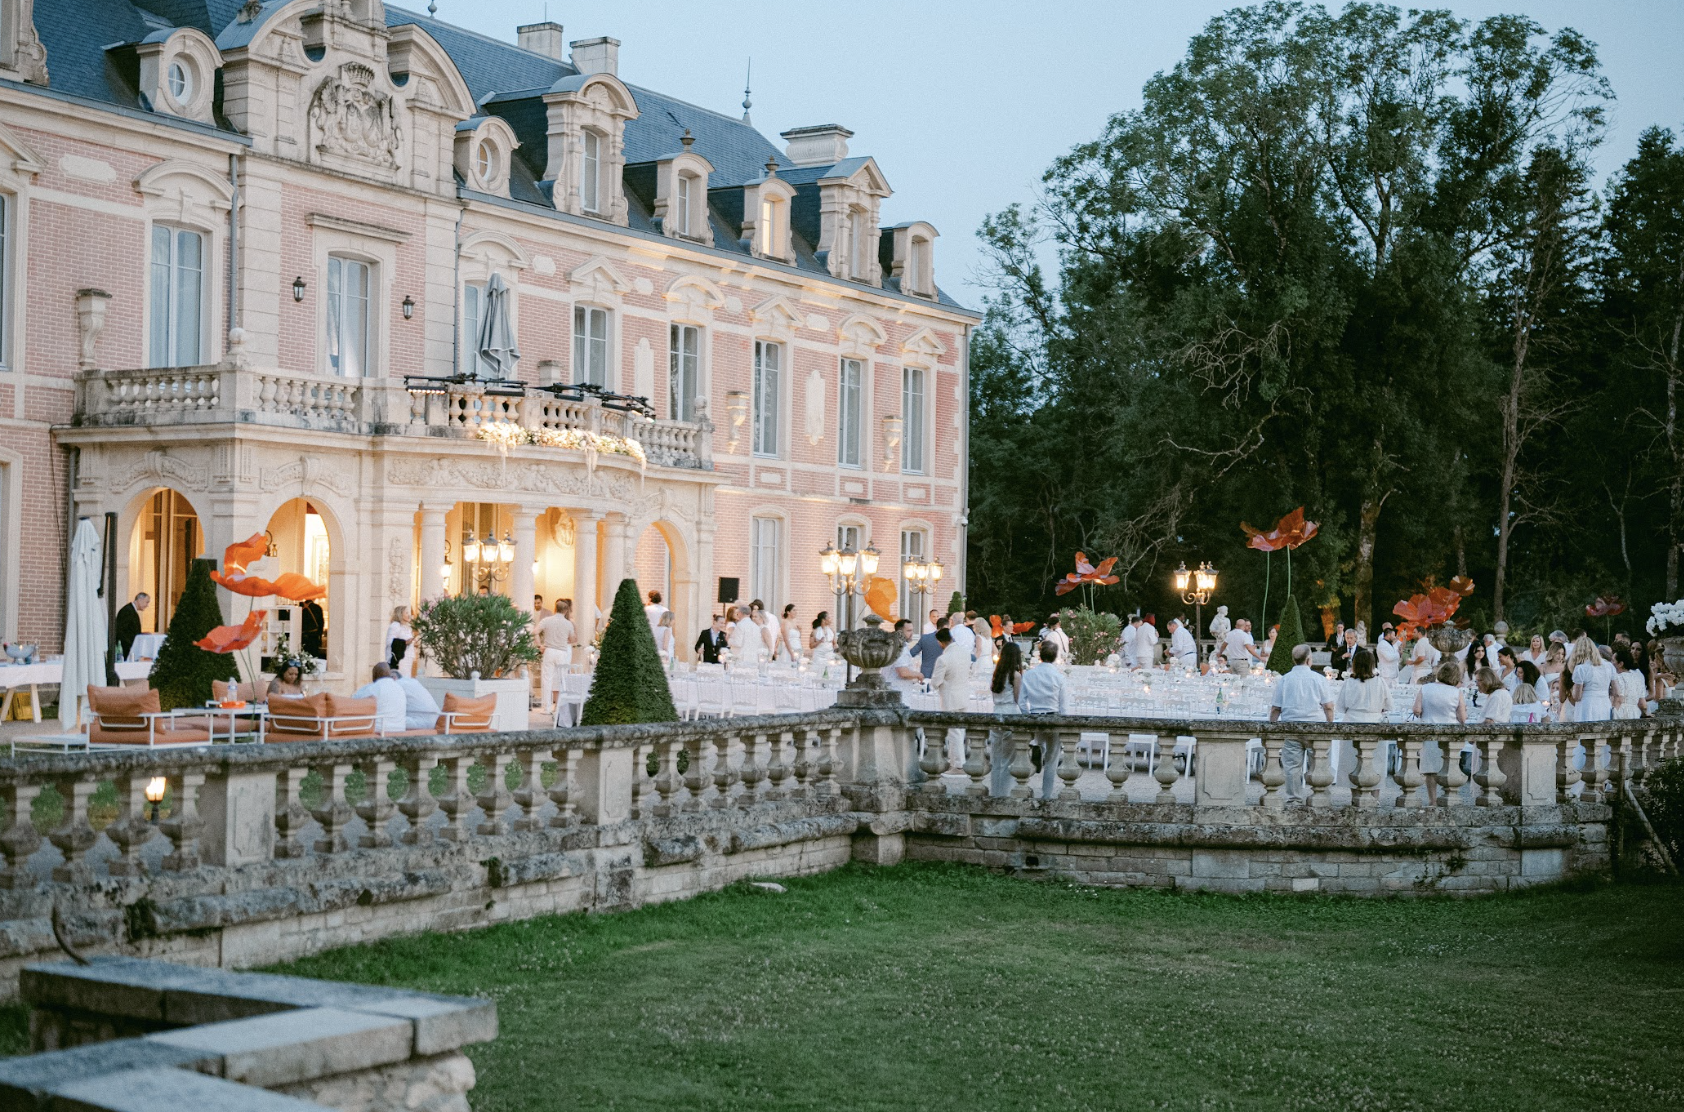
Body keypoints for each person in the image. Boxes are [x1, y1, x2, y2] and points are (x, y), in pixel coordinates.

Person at [1269, 644, 1333, 799]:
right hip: (1315, 727)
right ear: (1309, 659)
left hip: (1291, 726)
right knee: (1319, 764)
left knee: (1292, 767)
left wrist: (1271, 728)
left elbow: (1275, 708)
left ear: (1293, 659)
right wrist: (1330, 726)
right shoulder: (1319, 679)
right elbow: (1328, 706)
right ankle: (1319, 797)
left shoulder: (1285, 679)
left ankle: (1294, 798)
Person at [1018, 640, 1069, 799]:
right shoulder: (1058, 677)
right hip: (1053, 716)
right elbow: (1063, 706)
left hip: (1035, 716)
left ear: (1040, 655)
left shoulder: (1030, 674)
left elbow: (1021, 701)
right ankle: (1046, 794)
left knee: (1040, 741)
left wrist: (1028, 715)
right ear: (1055, 657)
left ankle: (1038, 747)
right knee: (1052, 760)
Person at [1412, 660, 1467, 805]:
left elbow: (1416, 709)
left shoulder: (1426, 688)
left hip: (1429, 732)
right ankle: (1448, 796)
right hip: (1449, 734)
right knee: (1449, 766)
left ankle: (1433, 800)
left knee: (1430, 770)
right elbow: (1462, 718)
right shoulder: (1457, 692)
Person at [1334, 647, 1392, 783]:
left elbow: (1341, 707)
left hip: (1352, 722)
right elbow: (1389, 705)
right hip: (1375, 722)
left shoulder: (1349, 683)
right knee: (1376, 761)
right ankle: (1375, 796)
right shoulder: (1380, 682)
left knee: (1352, 761)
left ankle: (1355, 794)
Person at [987, 641, 1025, 797]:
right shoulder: (1015, 675)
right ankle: (1004, 792)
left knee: (996, 758)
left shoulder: (996, 674)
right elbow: (1018, 699)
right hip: (1010, 713)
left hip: (996, 712)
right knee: (1008, 759)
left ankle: (995, 790)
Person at [930, 627, 972, 767]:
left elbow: (935, 682)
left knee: (954, 733)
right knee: (959, 732)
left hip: (950, 698)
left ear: (940, 642)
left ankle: (958, 764)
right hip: (964, 695)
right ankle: (955, 760)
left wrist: (935, 684)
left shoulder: (943, 659)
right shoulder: (965, 653)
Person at [537, 601, 575, 716]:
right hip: (562, 652)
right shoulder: (568, 624)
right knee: (561, 679)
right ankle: (559, 707)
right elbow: (572, 639)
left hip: (549, 650)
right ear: (566, 610)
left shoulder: (547, 620)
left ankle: (546, 707)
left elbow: (535, 632)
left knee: (547, 679)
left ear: (555, 608)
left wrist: (540, 645)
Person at [1568, 634, 1616, 722]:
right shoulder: (1609, 666)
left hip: (1587, 705)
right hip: (1604, 704)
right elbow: (1616, 691)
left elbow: (1577, 697)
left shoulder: (1580, 668)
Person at [352, 663, 406, 735]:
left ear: (374, 675)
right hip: (400, 729)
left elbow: (354, 701)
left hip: (379, 730)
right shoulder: (400, 688)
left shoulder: (375, 687)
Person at [886, 619, 922, 698]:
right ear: (900, 632)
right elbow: (903, 672)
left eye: (912, 630)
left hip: (898, 691)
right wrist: (919, 675)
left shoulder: (897, 645)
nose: (912, 634)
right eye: (909, 631)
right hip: (898, 692)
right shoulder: (900, 647)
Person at [909, 614, 947, 680]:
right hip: (943, 674)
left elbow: (912, 653)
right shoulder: (949, 640)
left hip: (926, 674)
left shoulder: (925, 638)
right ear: (946, 627)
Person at [114, 592, 150, 661]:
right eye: (147, 602)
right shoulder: (127, 611)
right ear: (140, 600)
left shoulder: (131, 610)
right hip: (125, 650)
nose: (147, 605)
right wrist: (130, 645)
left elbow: (130, 630)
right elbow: (121, 631)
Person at [385, 605, 413, 672]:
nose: (409, 615)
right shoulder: (395, 626)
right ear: (400, 614)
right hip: (399, 660)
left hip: (407, 658)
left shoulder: (406, 627)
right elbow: (389, 642)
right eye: (406, 613)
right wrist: (405, 643)